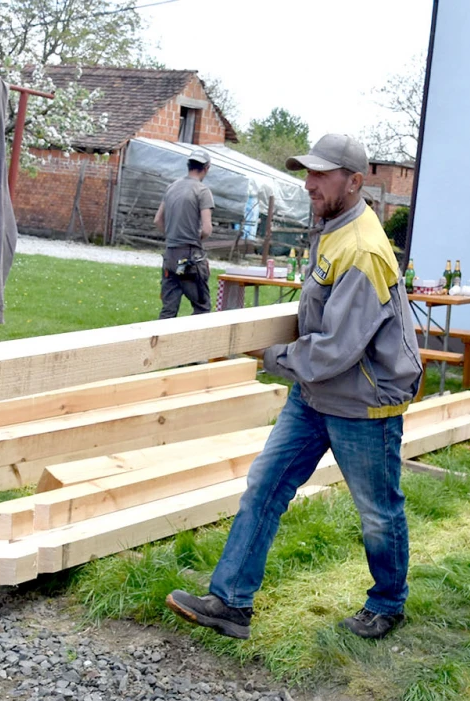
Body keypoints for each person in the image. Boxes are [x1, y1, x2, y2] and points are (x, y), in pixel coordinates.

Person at [165, 134, 422, 641]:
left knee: (377, 510)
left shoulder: (364, 250)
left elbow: (334, 349)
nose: (309, 184)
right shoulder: (334, 228)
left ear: (355, 181)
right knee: (265, 486)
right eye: (308, 173)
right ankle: (231, 602)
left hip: (363, 401)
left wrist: (268, 356)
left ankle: (387, 604)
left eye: (322, 175)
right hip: (316, 394)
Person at [154, 150, 214, 319]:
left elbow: (157, 220)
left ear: (188, 165)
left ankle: (161, 336)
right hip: (190, 258)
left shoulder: (171, 187)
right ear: (206, 168)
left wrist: (173, 235)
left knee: (168, 310)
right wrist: (194, 238)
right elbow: (207, 229)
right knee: (202, 309)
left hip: (170, 256)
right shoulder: (202, 191)